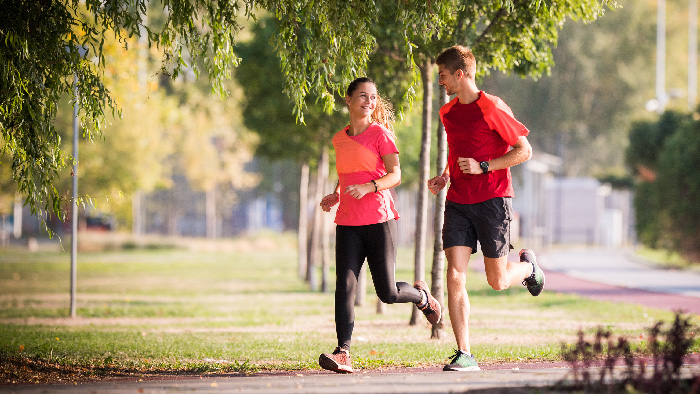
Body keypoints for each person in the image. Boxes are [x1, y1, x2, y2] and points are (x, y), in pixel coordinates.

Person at [427, 45, 545, 372]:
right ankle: (464, 352)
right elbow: (457, 152)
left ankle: (529, 269)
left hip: (493, 200)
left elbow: (524, 150)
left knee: (498, 281)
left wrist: (484, 166)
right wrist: (445, 176)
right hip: (458, 202)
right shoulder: (447, 112)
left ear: (460, 74)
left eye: (444, 76)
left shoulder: (492, 108)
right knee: (454, 274)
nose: (441, 82)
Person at [318, 77, 442, 374]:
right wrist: (336, 194)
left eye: (373, 97)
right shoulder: (339, 138)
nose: (368, 102)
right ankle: (343, 351)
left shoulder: (380, 133)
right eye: (362, 96)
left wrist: (370, 187)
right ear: (348, 100)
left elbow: (395, 175)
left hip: (379, 219)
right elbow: (348, 172)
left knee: (387, 292)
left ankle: (423, 297)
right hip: (347, 221)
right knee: (344, 285)